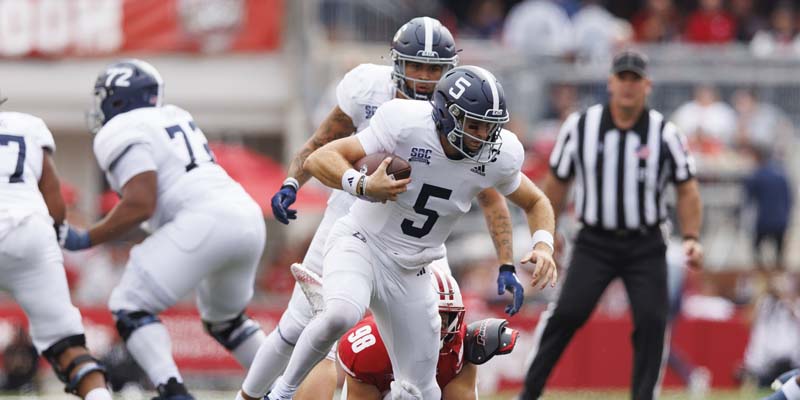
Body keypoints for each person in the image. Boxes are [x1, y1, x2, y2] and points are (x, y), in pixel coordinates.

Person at [242, 16, 519, 400]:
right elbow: (323, 142)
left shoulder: (461, 114)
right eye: (417, 66)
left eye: (435, 69)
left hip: (417, 238)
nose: (424, 77)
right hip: (353, 216)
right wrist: (293, 181)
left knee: (442, 324)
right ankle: (251, 397)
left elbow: (491, 195)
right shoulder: (368, 87)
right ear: (397, 63)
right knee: (299, 324)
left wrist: (506, 260)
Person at [60, 59, 267, 400]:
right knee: (226, 321)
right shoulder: (175, 114)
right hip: (245, 217)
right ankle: (282, 390)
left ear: (118, 99)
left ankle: (172, 391)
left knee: (129, 304)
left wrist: (88, 237)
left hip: (204, 221)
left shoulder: (120, 128)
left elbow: (142, 202)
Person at [521, 50, 704, 400]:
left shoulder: (664, 133)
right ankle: (529, 392)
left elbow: (688, 187)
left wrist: (692, 236)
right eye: (623, 78)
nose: (628, 86)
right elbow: (556, 183)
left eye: (636, 79)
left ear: (647, 85)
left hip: (646, 243)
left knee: (652, 322)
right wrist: (547, 233)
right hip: (594, 242)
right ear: (611, 82)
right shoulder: (581, 127)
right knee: (567, 314)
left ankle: (643, 396)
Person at [0, 103, 112, 399]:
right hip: (30, 230)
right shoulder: (26, 125)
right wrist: (59, 234)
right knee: (67, 344)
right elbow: (54, 198)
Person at [338, 267, 520, 399]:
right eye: (433, 316)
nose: (439, 326)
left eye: (447, 317)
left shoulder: (461, 345)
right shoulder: (371, 347)